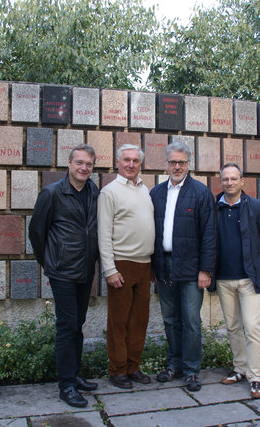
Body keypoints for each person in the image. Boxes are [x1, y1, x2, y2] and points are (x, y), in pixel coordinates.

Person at [28, 144, 99, 408]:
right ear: (69, 164)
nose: (84, 168)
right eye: (79, 163)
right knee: (67, 326)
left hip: (85, 269)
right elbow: (37, 232)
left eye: (89, 164)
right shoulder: (52, 193)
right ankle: (66, 385)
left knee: (77, 324)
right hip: (63, 272)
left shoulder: (93, 191)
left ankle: (75, 375)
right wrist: (48, 263)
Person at [149, 142, 216, 392]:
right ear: (166, 164)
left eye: (182, 162)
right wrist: (152, 265)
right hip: (163, 266)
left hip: (191, 268)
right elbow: (150, 232)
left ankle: (191, 370)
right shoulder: (155, 193)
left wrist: (205, 270)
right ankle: (174, 365)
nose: (177, 167)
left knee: (191, 321)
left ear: (189, 164)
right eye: (173, 162)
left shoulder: (200, 193)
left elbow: (210, 234)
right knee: (170, 319)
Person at [215, 163, 260, 399]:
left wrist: (254, 260)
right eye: (225, 179)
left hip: (249, 279)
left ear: (242, 181)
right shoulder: (214, 206)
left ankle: (256, 377)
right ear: (221, 182)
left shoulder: (257, 206)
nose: (229, 183)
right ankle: (239, 368)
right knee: (232, 327)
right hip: (223, 279)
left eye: (234, 178)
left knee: (252, 328)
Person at [98, 144, 155, 389]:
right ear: (117, 163)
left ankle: (133, 366)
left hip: (145, 265)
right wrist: (109, 269)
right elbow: (103, 232)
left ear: (140, 164)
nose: (131, 164)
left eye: (135, 160)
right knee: (118, 322)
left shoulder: (145, 189)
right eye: (126, 160)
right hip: (122, 264)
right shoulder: (109, 192)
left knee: (139, 321)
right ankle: (118, 370)